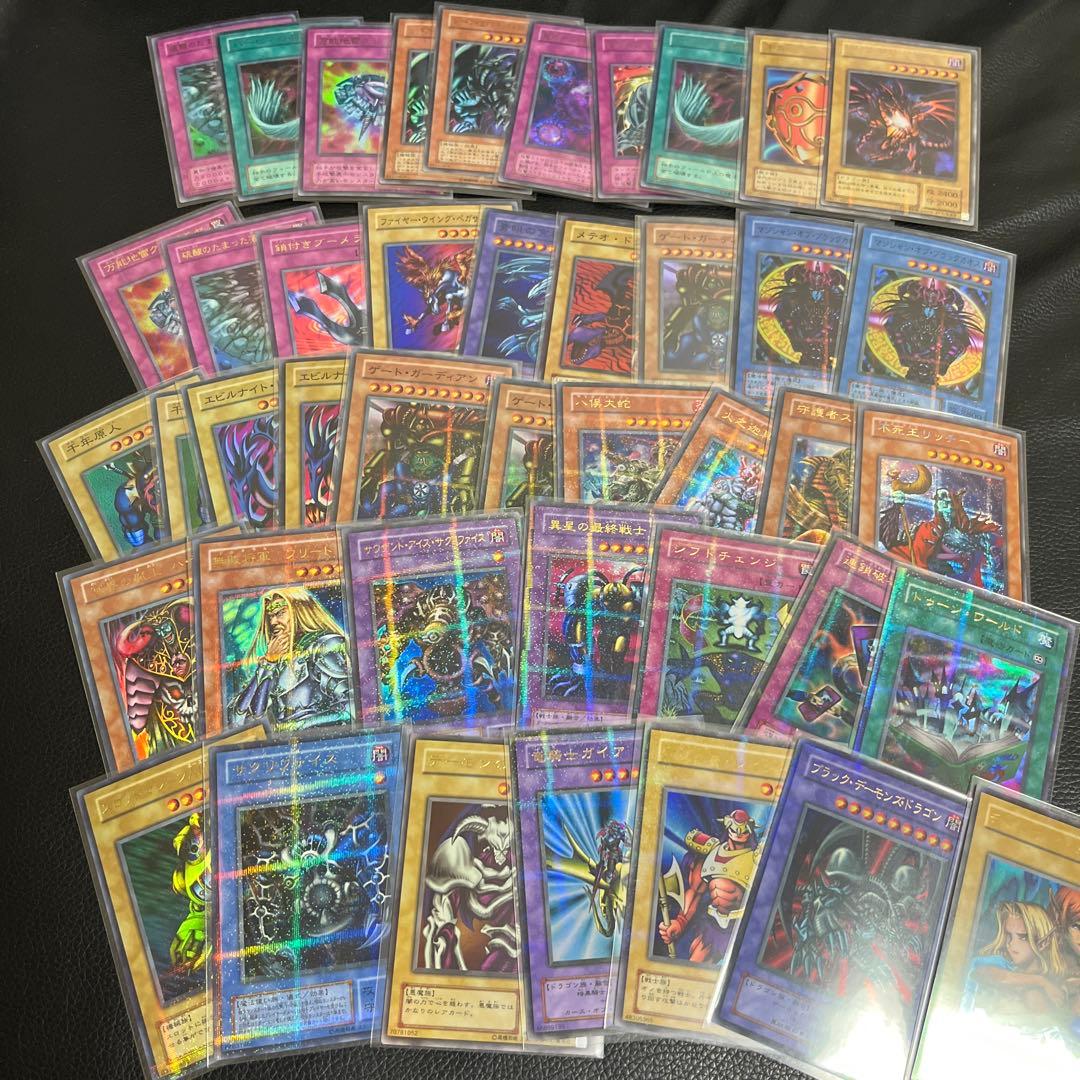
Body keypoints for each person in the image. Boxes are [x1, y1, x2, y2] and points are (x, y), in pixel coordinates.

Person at [229, 587, 350, 731]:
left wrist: (298, 727)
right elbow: (242, 718)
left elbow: (350, 707)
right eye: (270, 616)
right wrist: (268, 663)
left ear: (299, 611)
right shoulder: (277, 660)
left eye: (280, 613)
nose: (273, 622)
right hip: (286, 742)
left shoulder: (324, 646)